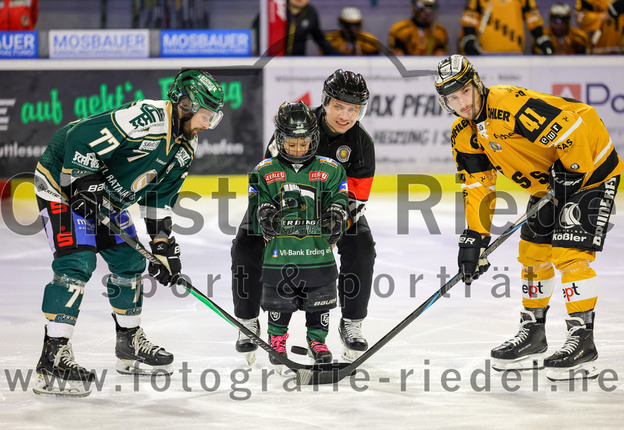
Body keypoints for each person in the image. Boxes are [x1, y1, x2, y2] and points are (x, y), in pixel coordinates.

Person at [32, 69, 225, 396]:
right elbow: (79, 136)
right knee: (77, 262)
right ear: (184, 105)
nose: (207, 125)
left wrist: (162, 245)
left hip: (107, 197)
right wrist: (82, 180)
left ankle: (129, 342)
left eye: (213, 118)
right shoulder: (145, 117)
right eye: (205, 116)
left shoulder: (185, 147)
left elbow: (158, 199)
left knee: (130, 262)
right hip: (62, 187)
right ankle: (53, 357)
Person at [434, 55, 624, 381]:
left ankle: (583, 340)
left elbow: (572, 126)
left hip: (590, 168)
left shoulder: (508, 104)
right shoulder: (464, 134)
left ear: (477, 84)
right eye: (453, 98)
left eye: (465, 91)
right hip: (551, 182)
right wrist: (475, 237)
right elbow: (479, 187)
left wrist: (573, 170)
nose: (462, 103)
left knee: (569, 253)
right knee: (533, 254)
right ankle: (533, 333)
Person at [232, 69, 375, 364]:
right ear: (325, 101)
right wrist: (275, 222)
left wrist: (334, 226)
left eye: (353, 109)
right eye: (339, 106)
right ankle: (247, 321)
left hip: (332, 208)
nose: (345, 115)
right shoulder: (296, 124)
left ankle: (352, 322)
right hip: (284, 202)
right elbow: (271, 181)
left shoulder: (362, 143)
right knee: (246, 243)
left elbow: (356, 199)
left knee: (361, 247)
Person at [250, 101, 349, 365]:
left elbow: (340, 199)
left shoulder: (331, 168)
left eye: (303, 143)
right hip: (279, 256)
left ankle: (317, 340)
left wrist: (337, 214)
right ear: (280, 139)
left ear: (313, 139)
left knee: (320, 300)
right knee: (278, 302)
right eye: (291, 143)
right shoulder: (264, 171)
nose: (297, 148)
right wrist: (264, 213)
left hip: (318, 254)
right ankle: (277, 340)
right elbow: (257, 207)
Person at [459, 0, 554, 55]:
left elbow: (532, 16)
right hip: (486, 52)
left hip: (514, 52)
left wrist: (540, 37)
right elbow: (470, 15)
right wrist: (469, 36)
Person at [252, 0, 339, 56]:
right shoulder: (274, 8)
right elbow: (256, 30)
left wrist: (339, 56)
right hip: (273, 60)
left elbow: (319, 38)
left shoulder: (311, 12)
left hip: (298, 61)